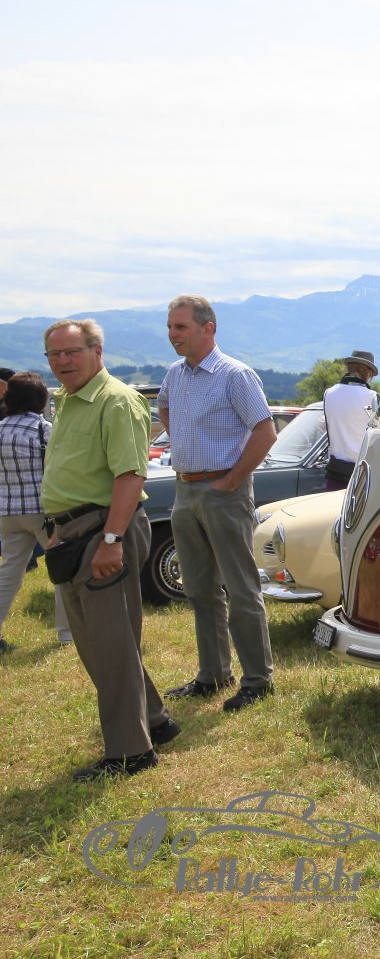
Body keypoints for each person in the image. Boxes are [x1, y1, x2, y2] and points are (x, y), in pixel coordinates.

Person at [41, 320, 178, 780]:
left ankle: (130, 753)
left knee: (109, 645)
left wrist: (112, 540)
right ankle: (154, 721)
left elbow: (130, 476)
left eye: (72, 351)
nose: (63, 361)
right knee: (101, 642)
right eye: (54, 354)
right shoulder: (68, 399)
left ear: (96, 351)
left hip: (103, 531)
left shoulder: (116, 400)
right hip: (74, 532)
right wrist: (58, 528)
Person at [159, 295, 277, 712]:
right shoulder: (175, 374)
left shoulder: (234, 375)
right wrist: (186, 448)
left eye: (180, 327)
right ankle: (213, 675)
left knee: (240, 587)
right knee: (198, 588)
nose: (172, 335)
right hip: (186, 489)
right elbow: (165, 409)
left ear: (208, 328)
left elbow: (266, 432)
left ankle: (258, 680)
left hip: (224, 491)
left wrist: (231, 479)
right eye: (170, 327)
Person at [0, 373, 71, 650]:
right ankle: (66, 634)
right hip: (43, 513)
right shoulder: (44, 429)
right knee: (62, 571)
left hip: (7, 512)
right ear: (41, 400)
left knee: (9, 574)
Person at [322, 349, 380, 491]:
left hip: (335, 472)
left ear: (349, 368)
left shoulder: (328, 393)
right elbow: (378, 433)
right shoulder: (373, 397)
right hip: (361, 474)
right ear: (369, 373)